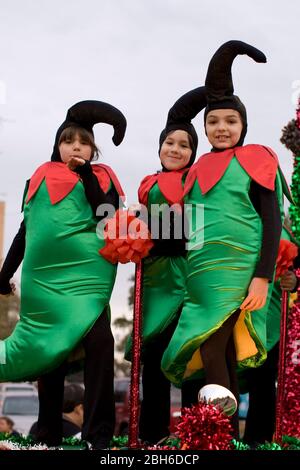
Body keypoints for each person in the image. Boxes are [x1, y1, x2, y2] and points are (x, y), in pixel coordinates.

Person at [161, 41, 292, 438]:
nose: (221, 127)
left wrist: (262, 276)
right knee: (221, 353)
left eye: (230, 121)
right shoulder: (197, 168)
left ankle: (215, 430)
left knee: (213, 346)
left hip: (238, 275)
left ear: (243, 126)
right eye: (214, 121)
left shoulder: (258, 159)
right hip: (201, 277)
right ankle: (224, 437)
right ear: (204, 127)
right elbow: (186, 228)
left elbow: (271, 223)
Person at [0, 100, 127, 449]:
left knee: (101, 343)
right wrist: (4, 273)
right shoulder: (38, 179)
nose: (75, 146)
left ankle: (98, 436)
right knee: (49, 353)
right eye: (67, 140)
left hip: (88, 285)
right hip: (45, 284)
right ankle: (47, 433)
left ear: (93, 149)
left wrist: (85, 174)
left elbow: (107, 216)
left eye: (83, 142)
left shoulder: (103, 177)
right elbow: (27, 231)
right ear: (57, 146)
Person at [125, 87, 206, 445]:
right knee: (153, 364)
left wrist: (153, 232)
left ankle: (194, 437)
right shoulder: (147, 186)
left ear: (193, 152)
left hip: (188, 281)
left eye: (184, 145)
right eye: (169, 143)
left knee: (190, 362)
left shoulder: (201, 183)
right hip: (155, 283)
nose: (175, 149)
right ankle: (152, 437)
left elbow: (194, 234)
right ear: (159, 147)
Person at [243, 225, 299, 444]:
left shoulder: (286, 230)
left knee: (262, 382)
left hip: (271, 318)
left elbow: (295, 271)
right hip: (232, 307)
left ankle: (257, 442)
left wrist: (295, 281)